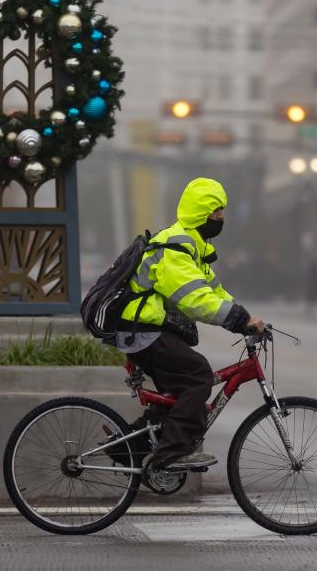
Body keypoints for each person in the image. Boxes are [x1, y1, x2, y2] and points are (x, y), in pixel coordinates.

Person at [116, 178, 264, 471]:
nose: (222, 217)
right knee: (198, 376)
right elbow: (194, 299)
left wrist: (246, 317)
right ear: (200, 213)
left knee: (176, 397)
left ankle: (127, 448)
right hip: (143, 330)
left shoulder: (194, 248)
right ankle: (171, 454)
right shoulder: (176, 248)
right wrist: (238, 321)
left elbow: (214, 292)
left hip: (148, 330)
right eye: (216, 211)